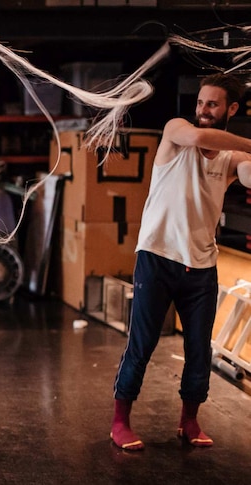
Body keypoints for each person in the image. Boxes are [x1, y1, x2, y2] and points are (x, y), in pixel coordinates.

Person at [111, 72, 251, 451]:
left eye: (213, 104)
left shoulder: (233, 157)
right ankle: (120, 421)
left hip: (201, 266)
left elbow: (249, 174)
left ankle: (189, 420)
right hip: (157, 256)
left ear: (231, 109)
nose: (203, 110)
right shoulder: (177, 131)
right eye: (201, 102)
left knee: (199, 350)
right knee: (141, 344)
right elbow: (200, 137)